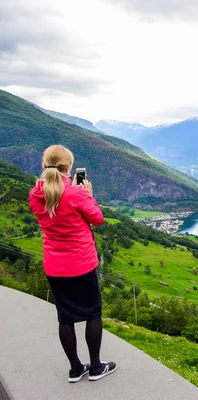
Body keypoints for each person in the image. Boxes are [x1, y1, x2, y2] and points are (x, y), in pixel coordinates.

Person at [29, 144, 117, 383]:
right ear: (68, 168)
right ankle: (96, 367)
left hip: (55, 267)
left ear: (44, 165)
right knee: (93, 314)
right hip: (82, 264)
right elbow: (97, 219)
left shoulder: (36, 194)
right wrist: (88, 195)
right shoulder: (76, 194)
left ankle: (76, 369)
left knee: (65, 318)